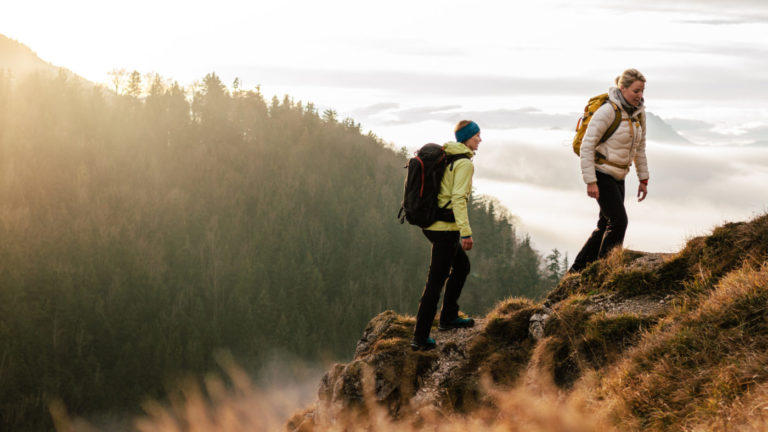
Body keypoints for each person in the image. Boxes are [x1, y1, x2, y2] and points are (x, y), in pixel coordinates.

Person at [569, 69, 649, 273]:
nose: (639, 95)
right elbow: (587, 144)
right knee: (619, 221)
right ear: (623, 89)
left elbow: (640, 147)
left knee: (605, 224)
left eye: (642, 91)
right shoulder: (608, 111)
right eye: (635, 91)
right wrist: (590, 181)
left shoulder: (639, 113)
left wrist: (643, 178)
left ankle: (577, 272)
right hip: (601, 174)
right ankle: (605, 271)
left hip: (619, 176)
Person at [411, 120, 480, 351]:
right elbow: (459, 199)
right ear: (466, 138)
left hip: (433, 224)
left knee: (461, 267)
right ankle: (420, 338)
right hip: (445, 229)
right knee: (436, 282)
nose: (480, 140)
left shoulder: (449, 154)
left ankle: (449, 316)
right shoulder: (464, 163)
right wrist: (466, 232)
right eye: (476, 136)